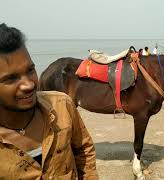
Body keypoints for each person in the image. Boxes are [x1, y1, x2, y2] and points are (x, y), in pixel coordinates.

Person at [0, 23, 98, 179]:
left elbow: (83, 150)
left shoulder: (62, 105)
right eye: (11, 78)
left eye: (30, 70)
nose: (29, 84)